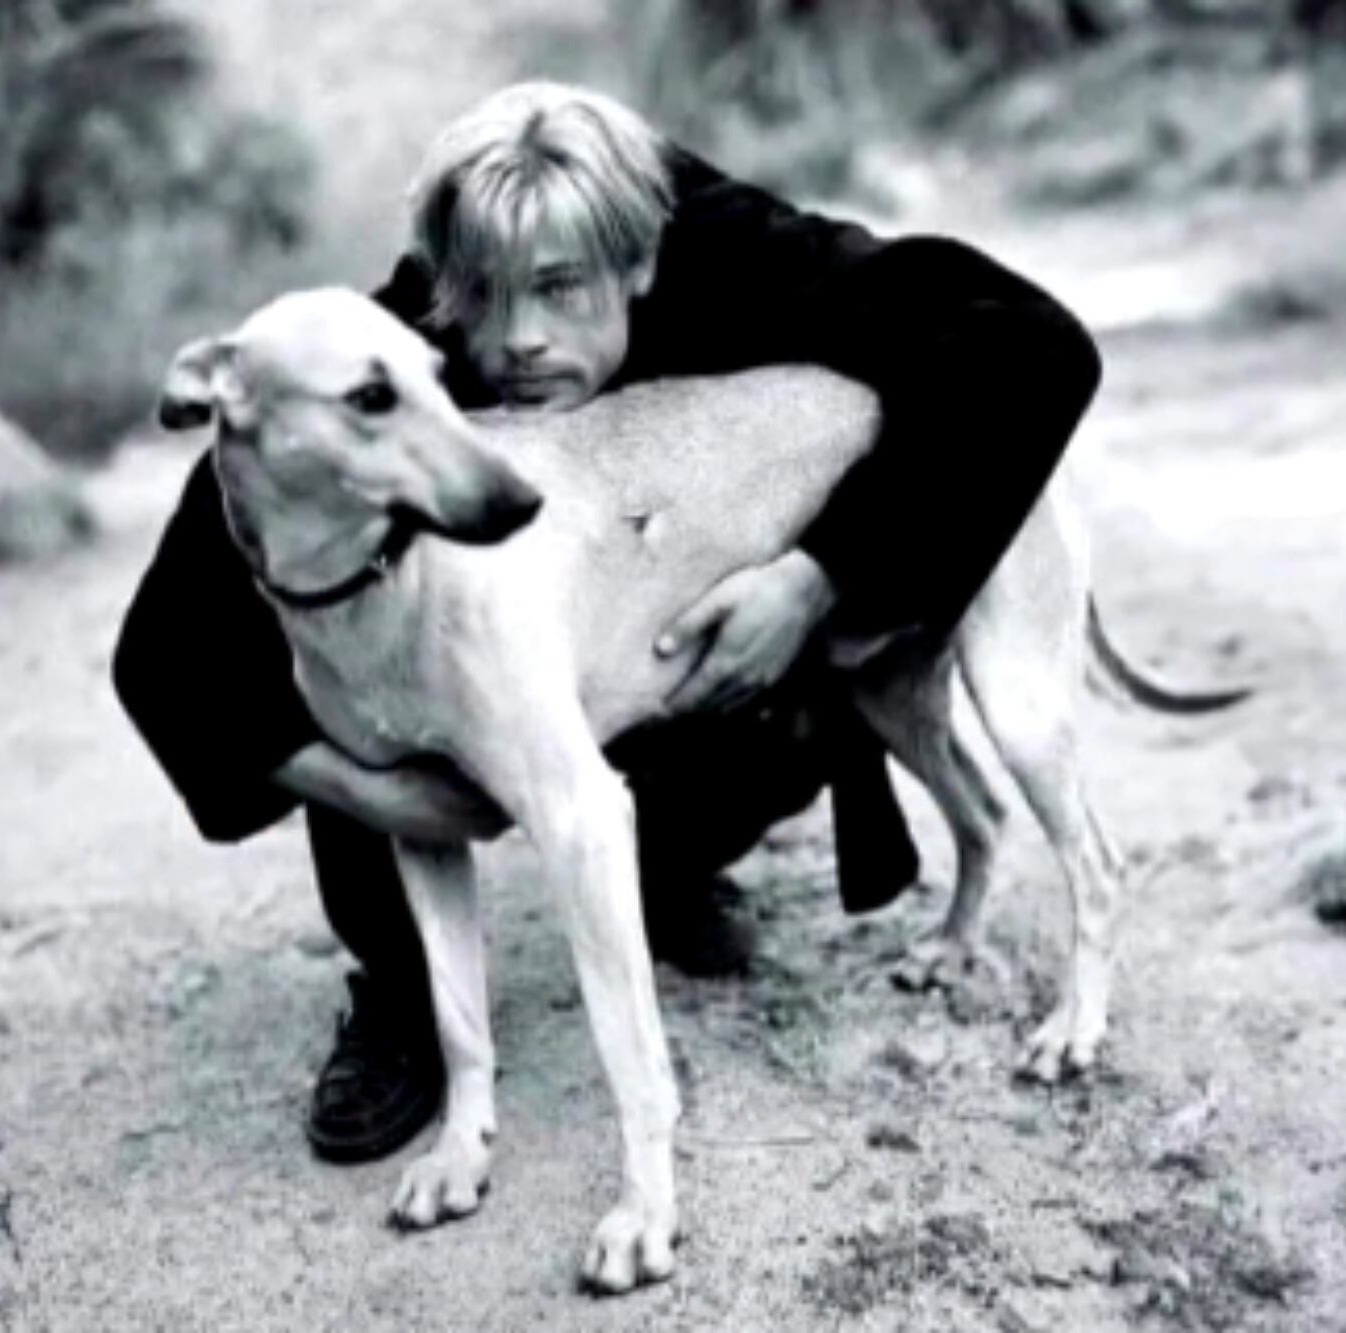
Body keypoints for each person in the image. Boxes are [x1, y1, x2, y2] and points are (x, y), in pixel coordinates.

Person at [111, 82, 1100, 1164]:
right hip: (451, 662)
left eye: (558, 290)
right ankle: (401, 997)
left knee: (744, 723)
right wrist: (379, 788)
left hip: (724, 627)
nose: (520, 339)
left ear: (637, 263)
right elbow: (164, 648)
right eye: (485, 298)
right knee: (360, 636)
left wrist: (816, 577)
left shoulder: (733, 250)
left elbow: (1026, 343)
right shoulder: (381, 354)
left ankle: (674, 865)